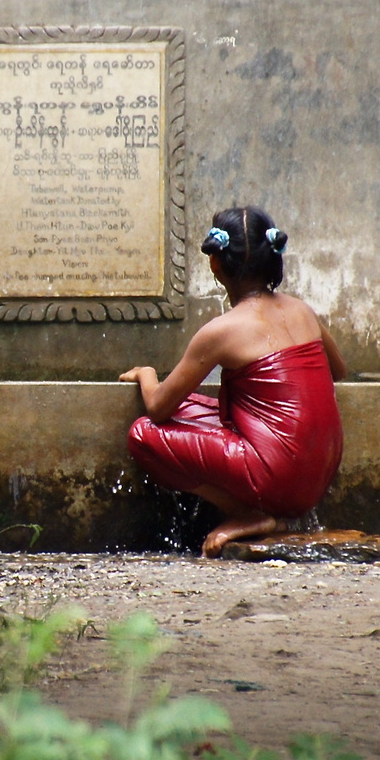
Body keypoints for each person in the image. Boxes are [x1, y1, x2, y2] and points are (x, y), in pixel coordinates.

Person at [120, 206, 347, 557]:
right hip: (321, 470)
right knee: (192, 406)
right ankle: (267, 507)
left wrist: (146, 374)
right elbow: (339, 371)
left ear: (215, 263)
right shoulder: (302, 310)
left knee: (143, 434)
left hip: (276, 476)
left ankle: (248, 515)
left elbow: (159, 406)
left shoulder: (222, 330)